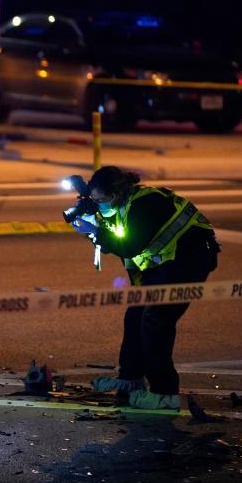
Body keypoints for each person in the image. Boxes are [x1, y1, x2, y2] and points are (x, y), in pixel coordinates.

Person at [71, 166, 220, 410]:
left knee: (156, 320)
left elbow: (130, 246)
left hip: (190, 260)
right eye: (95, 201)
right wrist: (93, 223)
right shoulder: (121, 207)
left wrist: (96, 232)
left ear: (117, 193)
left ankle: (165, 393)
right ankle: (131, 378)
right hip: (164, 264)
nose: (100, 206)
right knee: (136, 314)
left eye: (102, 201)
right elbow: (123, 247)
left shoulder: (147, 203)